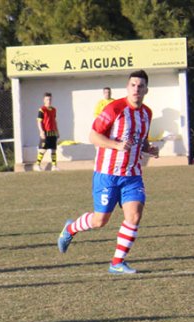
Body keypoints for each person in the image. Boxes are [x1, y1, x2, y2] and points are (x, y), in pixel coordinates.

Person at [57, 70, 158, 274]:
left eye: (140, 86)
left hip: (132, 175)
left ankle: (117, 263)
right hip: (107, 174)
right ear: (127, 87)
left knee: (134, 215)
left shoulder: (147, 113)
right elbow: (94, 136)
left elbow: (141, 139)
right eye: (133, 85)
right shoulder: (115, 109)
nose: (136, 89)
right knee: (99, 221)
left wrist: (149, 149)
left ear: (146, 89)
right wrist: (116, 145)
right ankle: (70, 228)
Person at [35, 92, 59, 171]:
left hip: (52, 132)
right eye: (47, 99)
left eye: (50, 99)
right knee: (43, 149)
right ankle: (37, 165)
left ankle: (54, 166)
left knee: (53, 150)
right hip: (45, 132)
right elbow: (39, 121)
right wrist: (41, 131)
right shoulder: (42, 110)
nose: (49, 101)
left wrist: (57, 131)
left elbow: (54, 121)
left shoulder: (54, 109)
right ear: (44, 100)